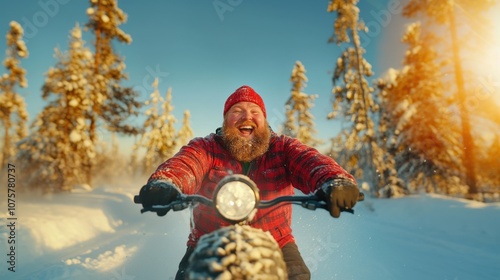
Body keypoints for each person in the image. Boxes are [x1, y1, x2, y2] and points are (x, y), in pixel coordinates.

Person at [138, 85, 360, 280]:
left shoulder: (283, 148)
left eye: (255, 111)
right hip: (208, 238)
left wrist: (334, 181)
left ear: (264, 120)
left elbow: (309, 161)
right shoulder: (207, 147)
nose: (247, 117)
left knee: (297, 276)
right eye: (237, 111)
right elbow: (186, 165)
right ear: (225, 120)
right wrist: (165, 183)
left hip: (276, 240)